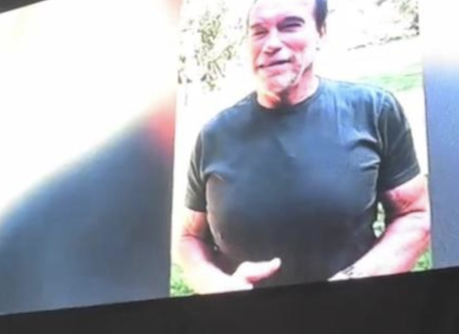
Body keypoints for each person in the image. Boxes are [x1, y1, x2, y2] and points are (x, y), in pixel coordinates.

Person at [174, 0, 431, 293]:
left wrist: (354, 281)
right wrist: (216, 285)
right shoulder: (214, 136)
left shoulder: (373, 112)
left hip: (357, 316)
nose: (271, 43)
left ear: (321, 33)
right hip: (244, 320)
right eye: (259, 31)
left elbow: (415, 215)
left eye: (290, 26)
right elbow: (188, 237)